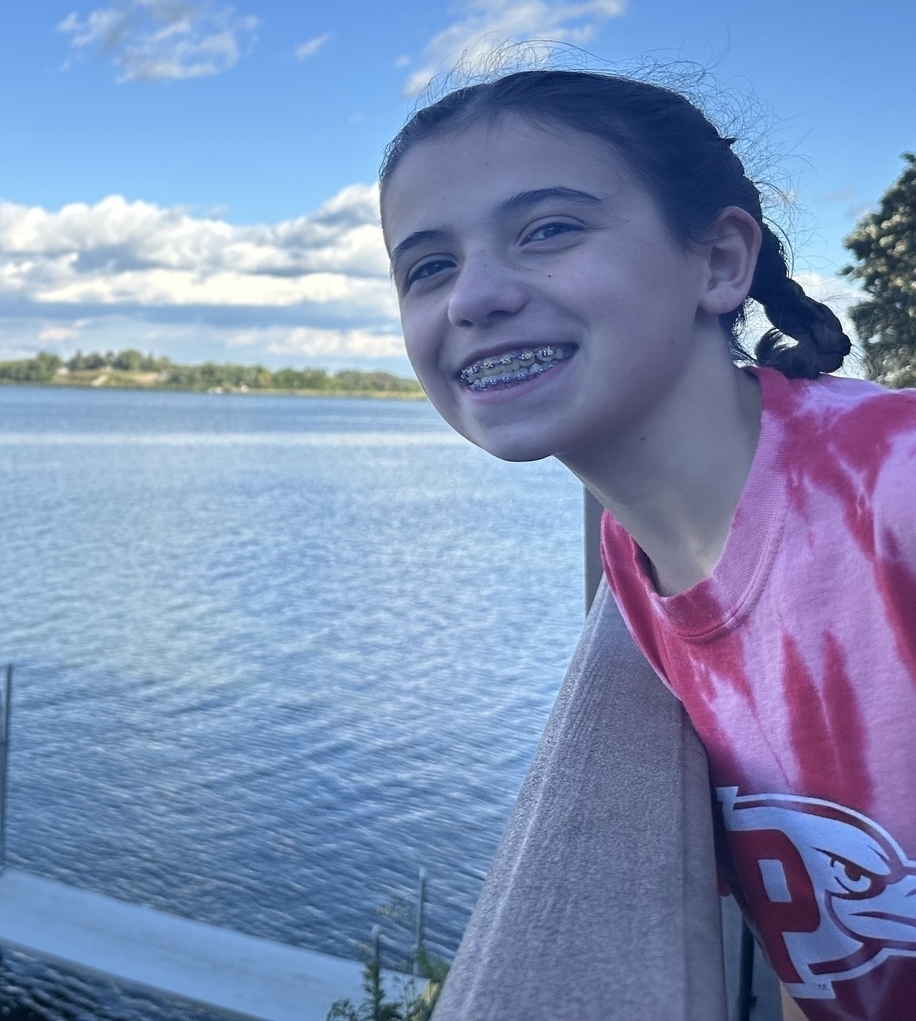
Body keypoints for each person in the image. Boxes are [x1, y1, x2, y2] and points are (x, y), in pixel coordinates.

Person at [377, 69, 915, 1021]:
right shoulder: (637, 560)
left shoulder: (893, 490)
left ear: (717, 262)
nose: (475, 298)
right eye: (429, 266)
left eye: (547, 229)